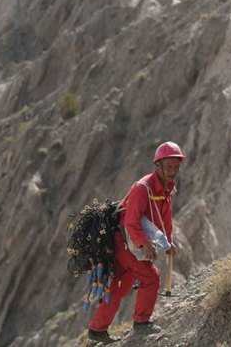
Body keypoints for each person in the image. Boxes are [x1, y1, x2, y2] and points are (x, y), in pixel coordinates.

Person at [87, 142, 184, 344]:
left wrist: (169, 243)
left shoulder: (165, 189)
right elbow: (131, 221)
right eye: (169, 166)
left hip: (129, 242)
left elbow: (165, 221)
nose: (173, 171)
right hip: (125, 241)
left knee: (120, 287)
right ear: (157, 165)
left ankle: (97, 330)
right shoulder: (143, 188)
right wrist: (144, 244)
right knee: (150, 277)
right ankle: (141, 323)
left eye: (176, 167)